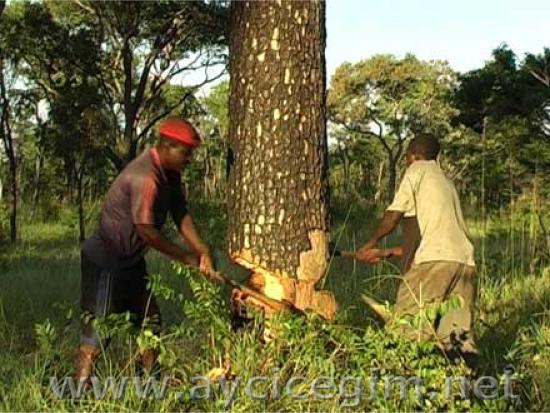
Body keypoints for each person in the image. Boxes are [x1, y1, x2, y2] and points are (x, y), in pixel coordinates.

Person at [75, 118, 222, 381]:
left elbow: (180, 213)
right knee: (98, 331)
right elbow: (146, 230)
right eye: (185, 152)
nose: (189, 159)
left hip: (131, 261)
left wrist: (202, 250)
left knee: (150, 322)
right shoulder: (147, 176)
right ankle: (77, 395)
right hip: (106, 260)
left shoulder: (171, 175)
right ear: (167, 146)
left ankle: (150, 384)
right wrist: (185, 257)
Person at [356, 133, 478, 366]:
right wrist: (387, 252)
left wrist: (370, 243)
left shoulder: (416, 170)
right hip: (464, 264)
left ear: (413, 156)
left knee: (406, 329)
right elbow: (436, 239)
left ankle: (404, 385)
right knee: (458, 339)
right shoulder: (446, 183)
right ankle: (467, 389)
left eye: (406, 158)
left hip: (435, 263)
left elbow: (392, 217)